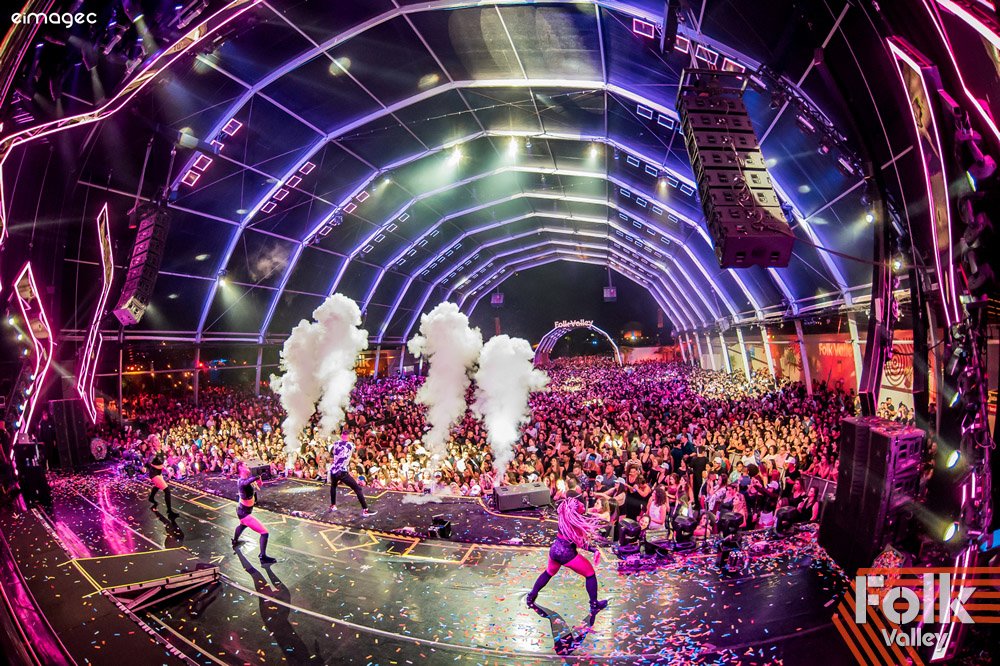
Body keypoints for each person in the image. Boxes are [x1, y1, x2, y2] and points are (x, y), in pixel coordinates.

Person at [526, 497, 608, 614]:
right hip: (566, 553)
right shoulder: (575, 524)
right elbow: (581, 543)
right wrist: (593, 550)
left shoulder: (564, 517)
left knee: (549, 572)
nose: (583, 506)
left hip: (555, 549)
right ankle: (594, 604)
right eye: (581, 506)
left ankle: (531, 596)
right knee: (590, 573)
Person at [232, 462, 277, 564]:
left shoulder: (248, 479)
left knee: (242, 525)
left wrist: (259, 479)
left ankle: (235, 540)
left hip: (244, 510)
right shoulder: (241, 481)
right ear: (240, 468)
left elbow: (259, 485)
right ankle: (262, 556)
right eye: (245, 465)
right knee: (264, 533)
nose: (247, 466)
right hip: (244, 513)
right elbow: (246, 483)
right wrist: (257, 475)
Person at [328, 431, 377, 516]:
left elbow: (336, 453)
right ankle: (365, 510)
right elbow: (352, 455)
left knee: (333, 486)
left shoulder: (336, 443)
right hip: (342, 471)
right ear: (348, 437)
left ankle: (333, 505)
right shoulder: (351, 445)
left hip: (333, 470)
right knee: (358, 489)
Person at [146, 435, 177, 518]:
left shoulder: (161, 451)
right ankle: (169, 512)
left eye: (158, 439)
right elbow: (148, 463)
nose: (158, 441)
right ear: (153, 443)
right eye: (156, 440)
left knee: (157, 486)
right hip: (154, 474)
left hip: (159, 473)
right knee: (167, 491)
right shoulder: (153, 453)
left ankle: (151, 498)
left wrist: (166, 468)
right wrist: (158, 467)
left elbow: (163, 462)